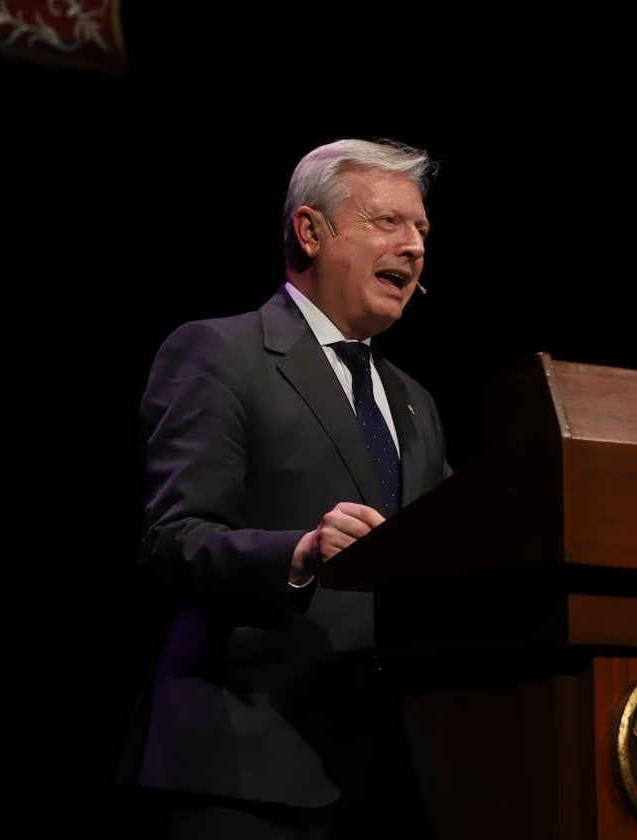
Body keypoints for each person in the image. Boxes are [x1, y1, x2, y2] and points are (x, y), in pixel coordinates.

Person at [117, 137, 451, 839]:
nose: (414, 247)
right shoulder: (220, 354)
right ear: (311, 230)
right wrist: (297, 554)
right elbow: (173, 540)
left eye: (421, 229)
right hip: (248, 769)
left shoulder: (415, 401)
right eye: (389, 222)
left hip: (392, 775)